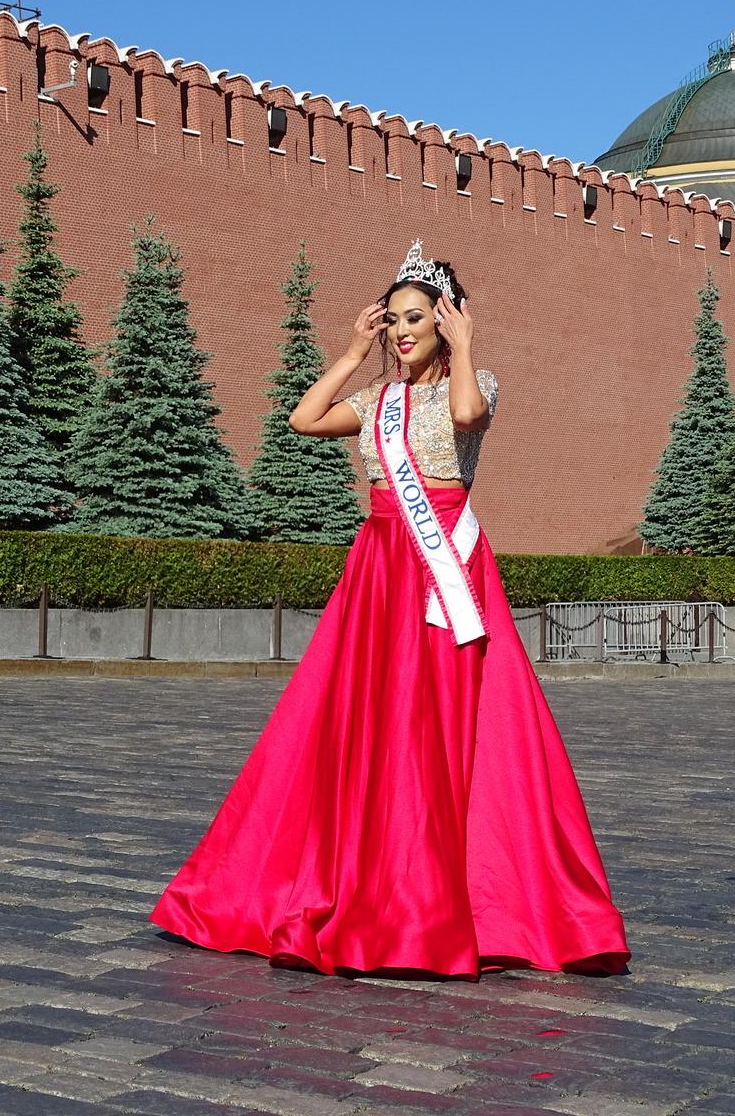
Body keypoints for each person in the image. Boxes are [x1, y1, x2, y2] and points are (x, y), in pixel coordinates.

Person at [150, 241, 629, 979]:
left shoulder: (479, 381)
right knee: (364, 719)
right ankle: (361, 888)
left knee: (446, 718)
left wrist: (467, 345)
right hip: (379, 567)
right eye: (395, 320)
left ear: (442, 323)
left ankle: (460, 902)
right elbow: (303, 421)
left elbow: (467, 414)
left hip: (444, 570)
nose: (403, 332)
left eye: (417, 319)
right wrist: (348, 351)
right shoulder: (375, 401)